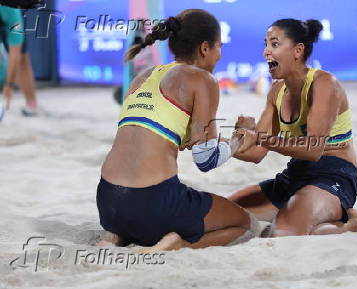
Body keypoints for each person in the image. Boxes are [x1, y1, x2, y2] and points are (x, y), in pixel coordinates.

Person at [96, 9, 260, 252]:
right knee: (247, 225)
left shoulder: (144, 75)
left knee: (155, 203)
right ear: (205, 48)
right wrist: (240, 138)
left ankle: (116, 236)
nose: (219, 54)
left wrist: (222, 141)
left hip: (108, 202)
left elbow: (155, 135)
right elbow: (206, 160)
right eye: (219, 47)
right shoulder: (201, 79)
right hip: (151, 203)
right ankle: (176, 243)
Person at [228, 19, 357, 237]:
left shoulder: (324, 84)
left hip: (333, 174)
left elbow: (313, 150)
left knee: (283, 234)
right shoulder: (276, 91)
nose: (266, 52)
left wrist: (259, 137)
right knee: (223, 216)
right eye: (265, 44)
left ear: (298, 50)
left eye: (274, 44)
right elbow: (256, 153)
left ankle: (352, 223)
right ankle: (305, 215)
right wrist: (229, 142)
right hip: (295, 173)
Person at [0, 4, 38, 117]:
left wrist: (9, 85)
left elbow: (15, 52)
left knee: (22, 58)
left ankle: (31, 102)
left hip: (11, 12)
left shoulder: (11, 11)